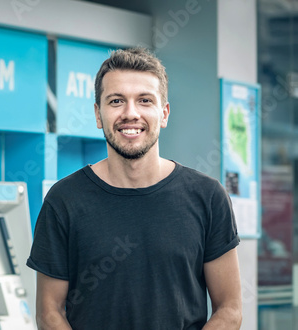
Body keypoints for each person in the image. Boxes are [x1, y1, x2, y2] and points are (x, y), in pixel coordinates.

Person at [26, 47, 242, 329]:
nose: (131, 113)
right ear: (97, 114)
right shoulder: (64, 200)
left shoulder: (208, 197)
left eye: (144, 100)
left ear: (163, 114)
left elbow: (230, 308)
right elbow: (49, 311)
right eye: (116, 101)